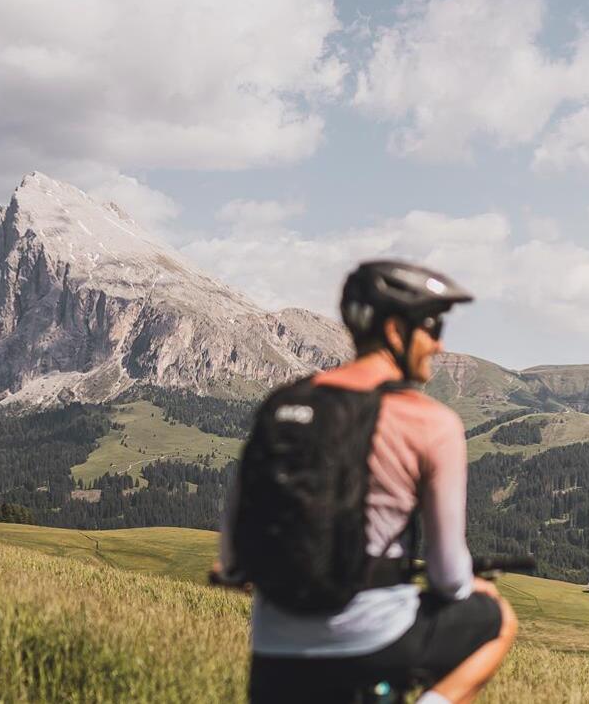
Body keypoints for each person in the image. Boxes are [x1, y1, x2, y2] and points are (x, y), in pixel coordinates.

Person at [216, 260, 516, 704]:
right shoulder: (430, 421)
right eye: (432, 327)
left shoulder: (281, 405)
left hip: (272, 648)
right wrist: (474, 586)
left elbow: (232, 552)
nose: (439, 344)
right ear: (396, 331)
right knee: (497, 621)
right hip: (373, 642)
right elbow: (448, 576)